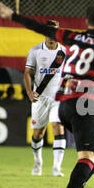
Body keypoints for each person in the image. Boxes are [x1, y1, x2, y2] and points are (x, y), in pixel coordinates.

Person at [0, 0, 94, 188]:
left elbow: (42, 28)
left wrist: (12, 15)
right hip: (82, 106)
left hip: (64, 105)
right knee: (88, 158)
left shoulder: (71, 36)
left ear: (87, 22)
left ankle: (79, 186)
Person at [24, 20, 67, 177]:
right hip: (40, 98)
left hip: (58, 98)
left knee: (57, 127)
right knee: (38, 134)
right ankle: (38, 161)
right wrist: (30, 93)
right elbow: (27, 73)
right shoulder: (35, 51)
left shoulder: (65, 52)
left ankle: (57, 167)